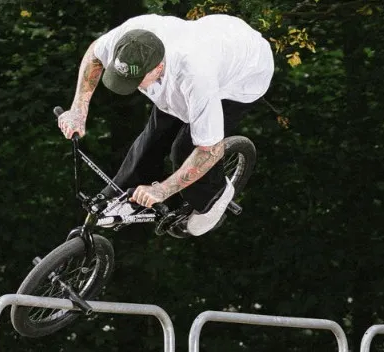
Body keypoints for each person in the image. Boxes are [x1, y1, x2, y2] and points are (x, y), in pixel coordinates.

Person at [57, 13, 274, 237]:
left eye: (136, 80)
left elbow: (211, 150)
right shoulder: (129, 41)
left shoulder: (196, 77)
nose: (132, 86)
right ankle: (125, 194)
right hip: (216, 37)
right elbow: (94, 55)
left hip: (243, 76)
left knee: (184, 150)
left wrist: (162, 190)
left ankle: (213, 197)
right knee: (155, 134)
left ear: (158, 67)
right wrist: (78, 109)